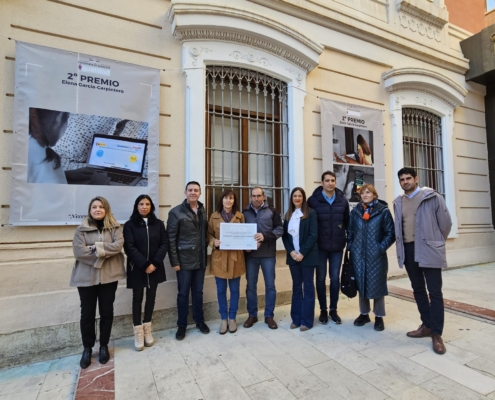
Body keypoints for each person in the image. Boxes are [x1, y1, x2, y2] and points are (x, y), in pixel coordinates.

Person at [393, 167, 452, 355]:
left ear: (416, 179)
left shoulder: (432, 197)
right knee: (418, 289)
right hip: (409, 250)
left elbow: (446, 224)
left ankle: (436, 334)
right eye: (402, 179)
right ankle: (426, 325)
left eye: (408, 178)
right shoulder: (398, 202)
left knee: (434, 291)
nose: (405, 182)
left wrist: (434, 242)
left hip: (428, 248)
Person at [70, 196, 125, 369]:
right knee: (87, 314)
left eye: (101, 207)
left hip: (109, 277)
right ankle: (87, 348)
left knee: (106, 312)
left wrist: (94, 248)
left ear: (106, 209)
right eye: (94, 207)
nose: (98, 209)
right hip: (86, 279)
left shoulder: (115, 227)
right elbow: (79, 252)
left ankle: (103, 346)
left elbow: (118, 246)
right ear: (90, 210)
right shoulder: (81, 230)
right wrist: (102, 253)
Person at [347, 184, 395, 331]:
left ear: (375, 195)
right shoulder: (355, 212)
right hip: (358, 255)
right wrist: (351, 246)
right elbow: (350, 231)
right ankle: (364, 314)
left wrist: (380, 248)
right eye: (362, 193)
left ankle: (379, 316)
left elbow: (390, 233)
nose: (365, 195)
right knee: (361, 284)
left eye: (368, 192)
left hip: (376, 256)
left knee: (378, 285)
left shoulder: (383, 212)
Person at [124, 195, 168, 351]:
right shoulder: (129, 225)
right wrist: (144, 264)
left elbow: (164, 244)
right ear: (136, 206)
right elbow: (129, 247)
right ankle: (138, 331)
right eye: (141, 204)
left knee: (151, 298)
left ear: (151, 207)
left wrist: (154, 263)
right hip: (137, 268)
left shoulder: (159, 224)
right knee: (137, 299)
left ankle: (148, 328)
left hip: (155, 268)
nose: (144, 206)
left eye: (147, 204)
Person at [167, 181, 209, 340]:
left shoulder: (203, 211)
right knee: (183, 294)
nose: (193, 192)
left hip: (200, 260)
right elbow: (171, 239)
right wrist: (174, 262)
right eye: (190, 190)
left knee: (198, 292)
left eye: (196, 190)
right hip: (183, 261)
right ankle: (181, 325)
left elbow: (205, 234)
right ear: (185, 193)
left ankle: (200, 321)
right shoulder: (175, 212)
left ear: (200, 193)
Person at [308, 171, 350, 324]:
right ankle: (323, 310)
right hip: (320, 247)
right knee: (320, 278)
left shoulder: (342, 201)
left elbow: (347, 223)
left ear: (335, 183)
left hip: (337, 246)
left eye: (333, 180)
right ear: (322, 183)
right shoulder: (313, 201)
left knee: (334, 279)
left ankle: (333, 310)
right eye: (327, 180)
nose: (330, 183)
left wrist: (347, 240)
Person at [242, 186, 283, 329]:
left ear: (264, 196)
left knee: (270, 286)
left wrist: (265, 237)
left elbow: (280, 229)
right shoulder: (244, 212)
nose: (256, 198)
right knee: (250, 286)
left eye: (259, 196)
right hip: (250, 256)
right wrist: (244, 245)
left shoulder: (272, 211)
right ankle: (252, 315)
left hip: (268, 255)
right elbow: (241, 233)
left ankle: (269, 316)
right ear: (250, 197)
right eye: (254, 196)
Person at [207, 190, 246, 334]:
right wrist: (213, 242)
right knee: (221, 290)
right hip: (220, 258)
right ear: (221, 200)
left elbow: (245, 235)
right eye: (226, 198)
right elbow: (208, 234)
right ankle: (223, 318)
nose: (228, 201)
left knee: (235, 290)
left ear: (234, 201)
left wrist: (247, 243)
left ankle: (232, 318)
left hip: (236, 258)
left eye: (231, 198)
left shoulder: (240, 216)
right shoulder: (214, 216)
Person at [282, 187, 319, 331]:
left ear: (303, 198)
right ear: (291, 198)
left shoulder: (311, 213)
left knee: (308, 287)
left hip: (307, 256)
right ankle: (296, 319)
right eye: (294, 196)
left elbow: (313, 235)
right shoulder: (288, 215)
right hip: (293, 257)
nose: (297, 198)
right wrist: (291, 251)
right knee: (296, 286)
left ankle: (307, 321)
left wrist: (302, 253)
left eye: (299, 196)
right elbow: (285, 236)